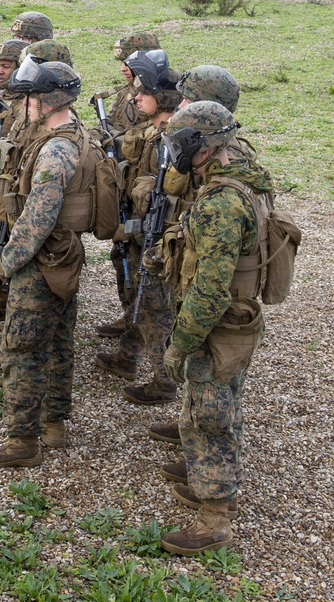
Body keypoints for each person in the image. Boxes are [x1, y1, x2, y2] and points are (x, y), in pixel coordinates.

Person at [153, 101, 273, 554]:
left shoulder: (220, 204)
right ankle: (216, 486)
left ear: (200, 146)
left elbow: (209, 290)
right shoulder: (242, 175)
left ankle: (214, 517)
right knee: (222, 405)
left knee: (207, 416)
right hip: (236, 322)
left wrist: (179, 345)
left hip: (216, 326)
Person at [0, 60, 87, 467]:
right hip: (66, 254)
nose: (25, 105)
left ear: (45, 100)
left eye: (30, 98)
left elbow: (38, 217)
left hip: (41, 260)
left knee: (23, 348)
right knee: (58, 341)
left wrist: (6, 263)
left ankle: (22, 441)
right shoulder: (76, 131)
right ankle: (54, 424)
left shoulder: (55, 150)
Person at [94, 49, 184, 407]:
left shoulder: (175, 141)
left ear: (162, 98)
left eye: (143, 93)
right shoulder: (150, 131)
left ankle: (165, 381)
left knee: (155, 310)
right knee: (137, 298)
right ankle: (128, 356)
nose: (135, 97)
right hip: (137, 231)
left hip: (160, 240)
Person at [93, 31, 163, 340]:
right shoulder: (126, 92)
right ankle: (128, 316)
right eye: (122, 60)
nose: (122, 66)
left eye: (128, 60)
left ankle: (139, 326)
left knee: (139, 261)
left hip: (141, 180)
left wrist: (115, 139)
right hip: (123, 179)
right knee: (120, 252)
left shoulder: (156, 92)